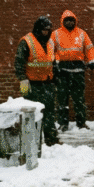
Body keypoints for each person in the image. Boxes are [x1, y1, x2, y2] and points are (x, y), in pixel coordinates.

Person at [14, 15, 59, 147]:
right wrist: (23, 81)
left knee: (49, 112)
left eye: (48, 30)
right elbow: (19, 63)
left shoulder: (50, 42)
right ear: (38, 29)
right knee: (31, 112)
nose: (46, 32)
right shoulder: (26, 41)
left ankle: (51, 139)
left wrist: (55, 77)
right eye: (44, 30)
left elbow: (52, 61)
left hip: (47, 83)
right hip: (30, 84)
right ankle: (32, 140)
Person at [52, 9, 94, 130]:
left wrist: (92, 61)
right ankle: (63, 123)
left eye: (71, 20)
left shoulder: (82, 33)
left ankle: (81, 123)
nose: (69, 22)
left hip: (78, 70)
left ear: (75, 21)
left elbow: (89, 48)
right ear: (63, 21)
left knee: (79, 99)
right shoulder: (56, 34)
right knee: (62, 99)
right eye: (67, 20)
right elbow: (50, 49)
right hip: (62, 70)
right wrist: (53, 63)